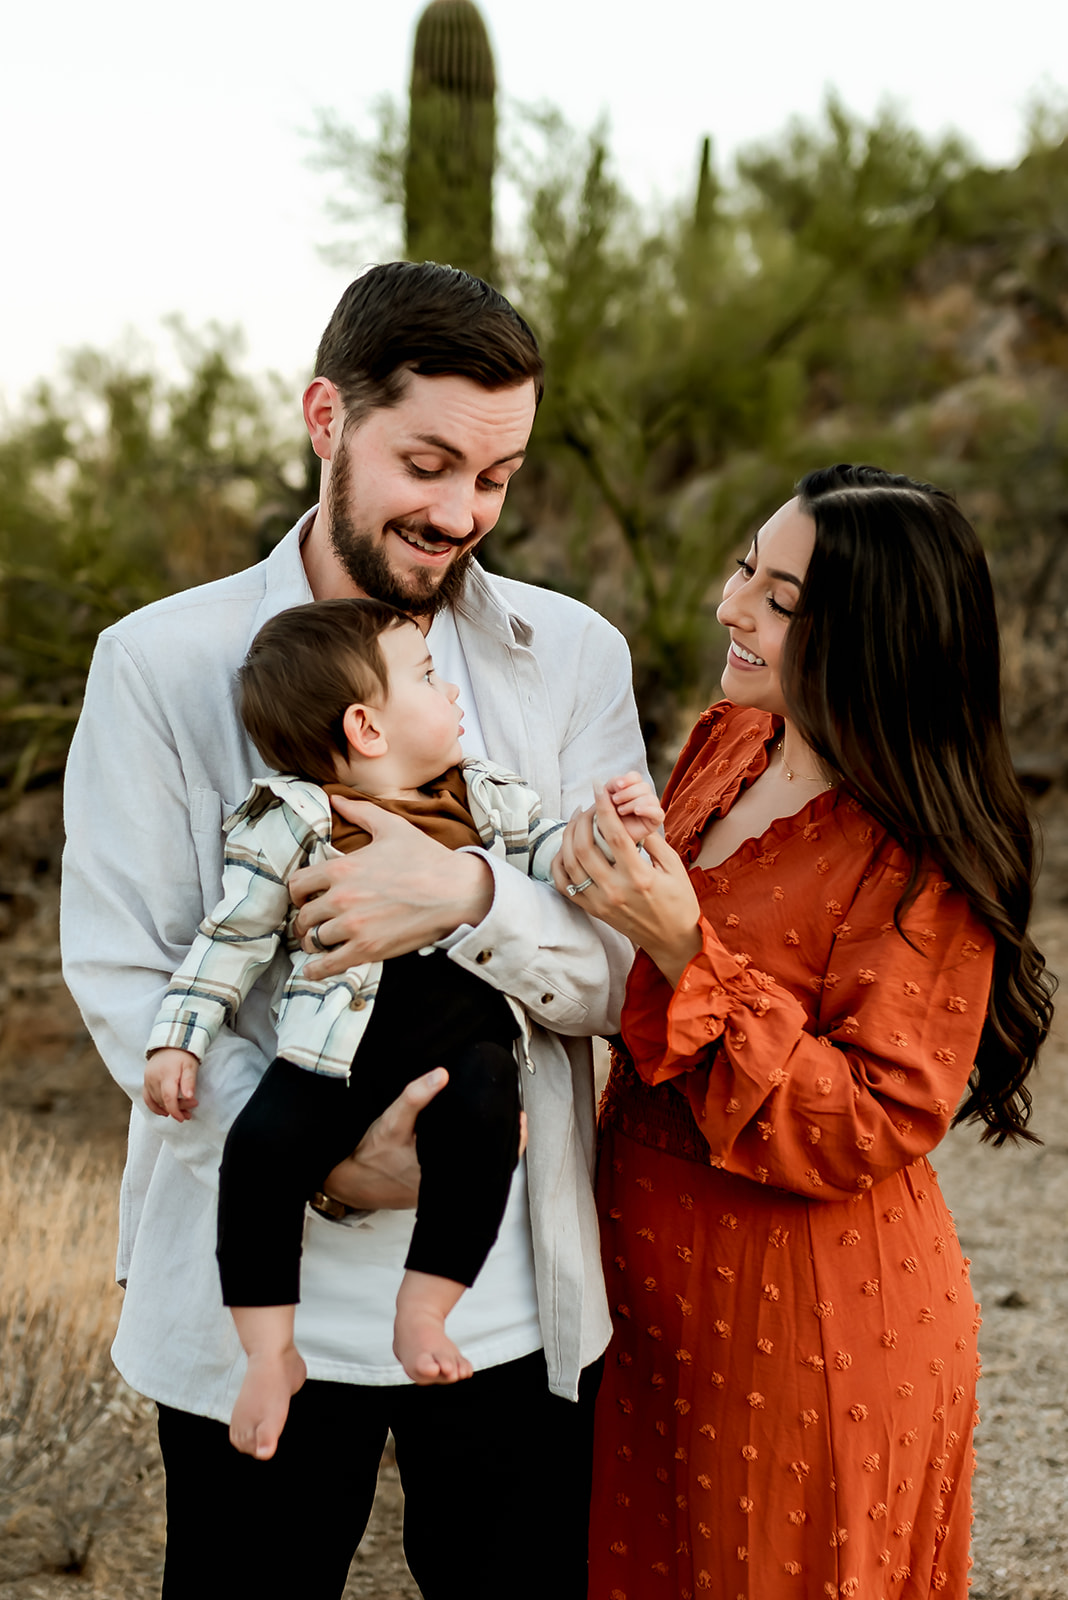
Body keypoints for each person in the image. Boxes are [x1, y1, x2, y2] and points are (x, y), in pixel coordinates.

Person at [60, 262, 648, 1600]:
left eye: (494, 479)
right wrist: (327, 1157)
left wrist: (474, 902)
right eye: (427, 463)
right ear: (326, 416)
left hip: (509, 1302)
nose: (459, 515)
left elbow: (623, 969)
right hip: (252, 1307)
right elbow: (126, 971)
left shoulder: (573, 658)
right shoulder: (161, 663)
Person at [551, 464, 1055, 1599]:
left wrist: (689, 949)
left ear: (873, 641)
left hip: (808, 1330)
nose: (733, 609)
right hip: (640, 1293)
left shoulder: (917, 856)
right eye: (745, 569)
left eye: (781, 602)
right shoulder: (730, 738)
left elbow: (873, 1118)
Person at [142, 596, 661, 1459]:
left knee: (489, 1122)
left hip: (463, 1053)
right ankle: (270, 1352)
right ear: (366, 727)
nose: (451, 691)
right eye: (427, 677)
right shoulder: (296, 822)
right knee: (258, 1153)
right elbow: (229, 937)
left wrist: (611, 832)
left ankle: (425, 1306)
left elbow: (554, 861)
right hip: (328, 1054)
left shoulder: (481, 797)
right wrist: (178, 1037)